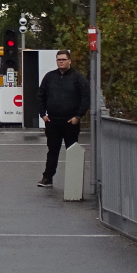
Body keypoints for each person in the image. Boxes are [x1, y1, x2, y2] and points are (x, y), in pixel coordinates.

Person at [36, 49, 90, 188]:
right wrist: (43, 114)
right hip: (52, 121)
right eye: (58, 60)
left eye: (63, 59)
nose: (61, 62)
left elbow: (85, 98)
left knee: (72, 151)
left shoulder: (78, 78)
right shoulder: (49, 77)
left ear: (69, 61)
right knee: (52, 150)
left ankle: (74, 181)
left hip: (70, 121)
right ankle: (47, 178)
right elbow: (41, 96)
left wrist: (78, 116)